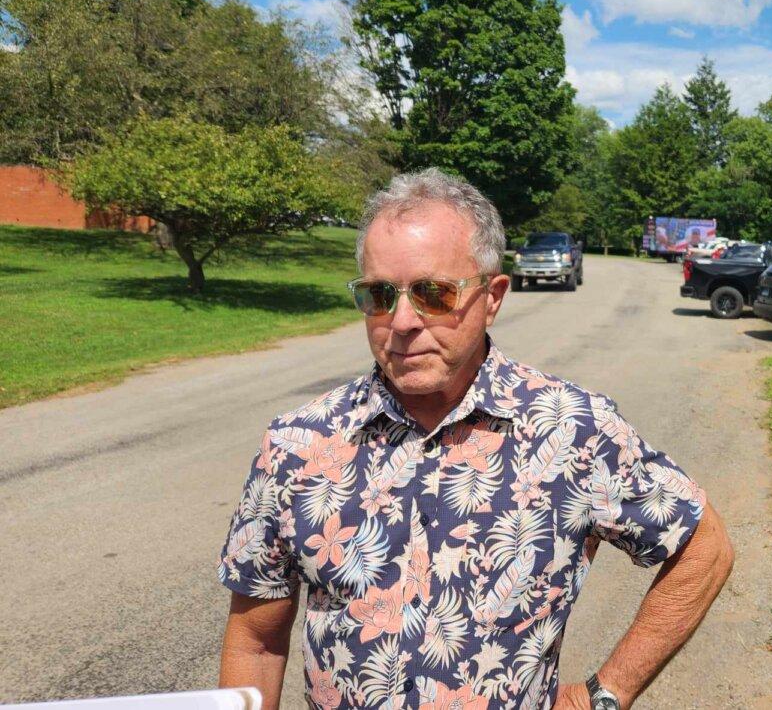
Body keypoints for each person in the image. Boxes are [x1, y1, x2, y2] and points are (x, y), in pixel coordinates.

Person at [217, 168, 733, 710]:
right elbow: (257, 639)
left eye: (433, 292)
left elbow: (704, 547)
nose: (402, 321)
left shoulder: (571, 429)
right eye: (379, 295)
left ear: (492, 297)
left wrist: (604, 695)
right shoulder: (298, 444)